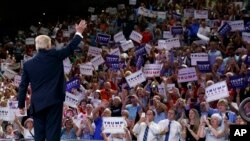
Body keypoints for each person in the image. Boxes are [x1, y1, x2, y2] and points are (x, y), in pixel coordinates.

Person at [17, 20, 87, 141]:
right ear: (49, 46)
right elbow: (70, 47)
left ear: (36, 46)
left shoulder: (28, 64)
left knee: (39, 135)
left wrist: (21, 105)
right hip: (54, 101)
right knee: (53, 134)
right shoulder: (55, 55)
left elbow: (23, 86)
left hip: (37, 103)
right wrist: (79, 32)